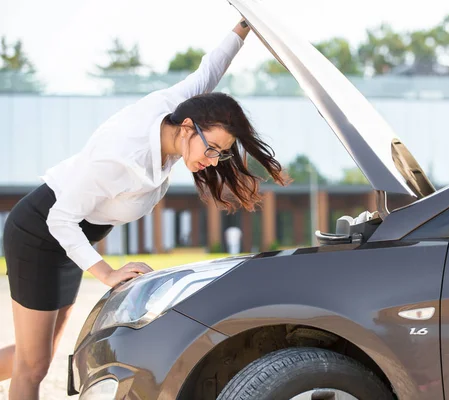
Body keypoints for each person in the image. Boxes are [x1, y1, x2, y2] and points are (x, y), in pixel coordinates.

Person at [0, 18, 286, 399]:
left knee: (38, 355)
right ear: (187, 129)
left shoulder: (181, 111)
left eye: (221, 153)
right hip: (42, 232)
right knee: (33, 366)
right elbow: (60, 218)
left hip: (75, 238)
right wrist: (106, 273)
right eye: (212, 149)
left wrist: (244, 27)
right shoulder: (121, 154)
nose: (215, 161)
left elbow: (210, 69)